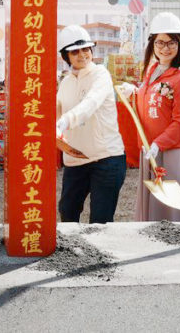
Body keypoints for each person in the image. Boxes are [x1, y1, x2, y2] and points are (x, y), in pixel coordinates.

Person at [122, 12, 180, 222]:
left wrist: (159, 144)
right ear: (152, 44)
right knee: (154, 203)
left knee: (171, 207)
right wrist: (134, 92)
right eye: (160, 42)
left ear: (179, 44)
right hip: (150, 145)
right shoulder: (152, 68)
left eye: (171, 42)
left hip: (173, 149)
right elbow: (150, 100)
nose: (165, 48)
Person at [55, 25, 126, 224]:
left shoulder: (101, 75)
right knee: (67, 213)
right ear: (65, 56)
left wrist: (64, 121)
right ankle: (71, 254)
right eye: (74, 51)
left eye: (86, 49)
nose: (82, 55)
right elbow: (56, 109)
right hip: (75, 160)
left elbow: (90, 104)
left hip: (106, 158)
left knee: (100, 221)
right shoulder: (66, 82)